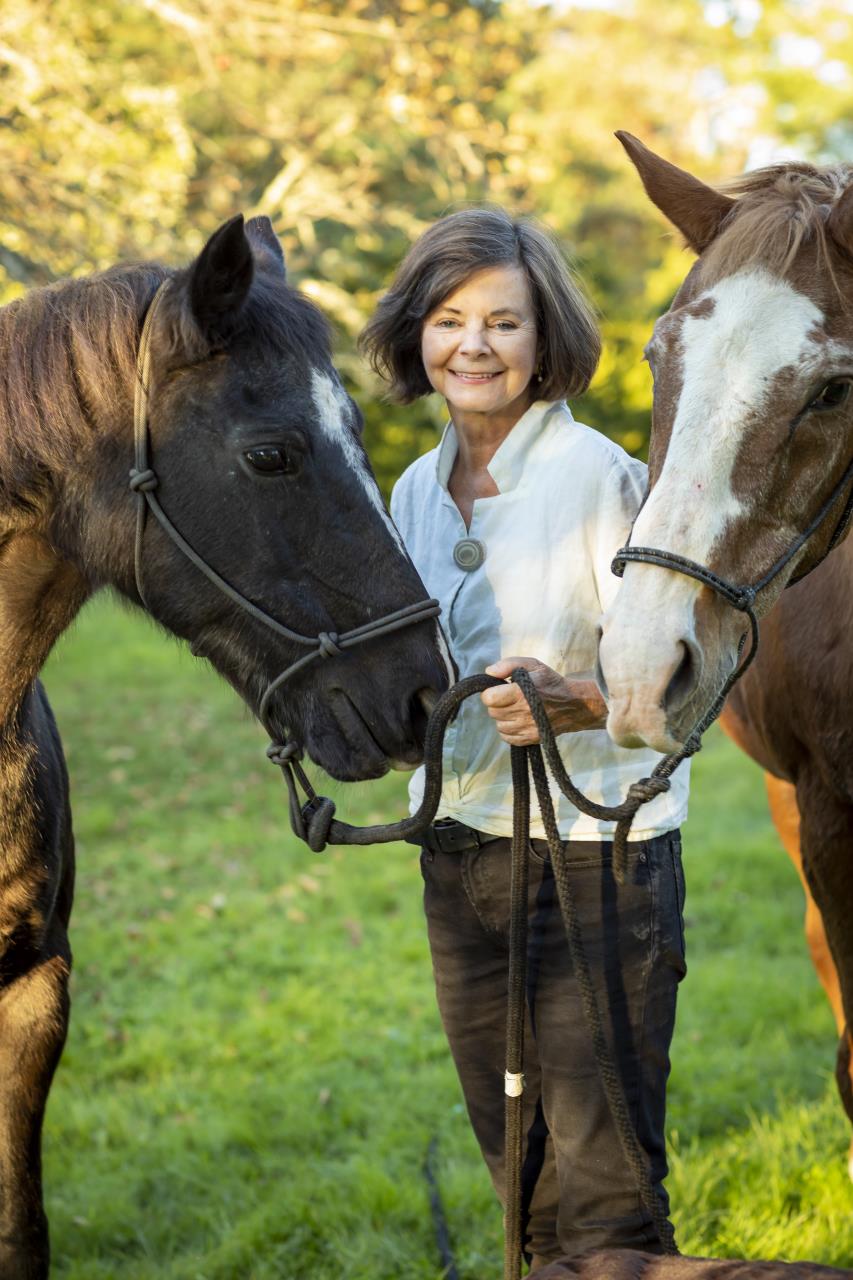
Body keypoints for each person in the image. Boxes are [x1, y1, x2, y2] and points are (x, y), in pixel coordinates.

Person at [360, 208, 690, 1270]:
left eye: (503, 321)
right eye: (449, 318)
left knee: (605, 1186)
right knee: (518, 1172)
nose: (472, 345)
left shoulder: (598, 477)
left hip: (594, 864)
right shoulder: (411, 490)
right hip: (459, 859)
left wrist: (578, 700)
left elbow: (691, 679)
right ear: (418, 332)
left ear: (545, 338)